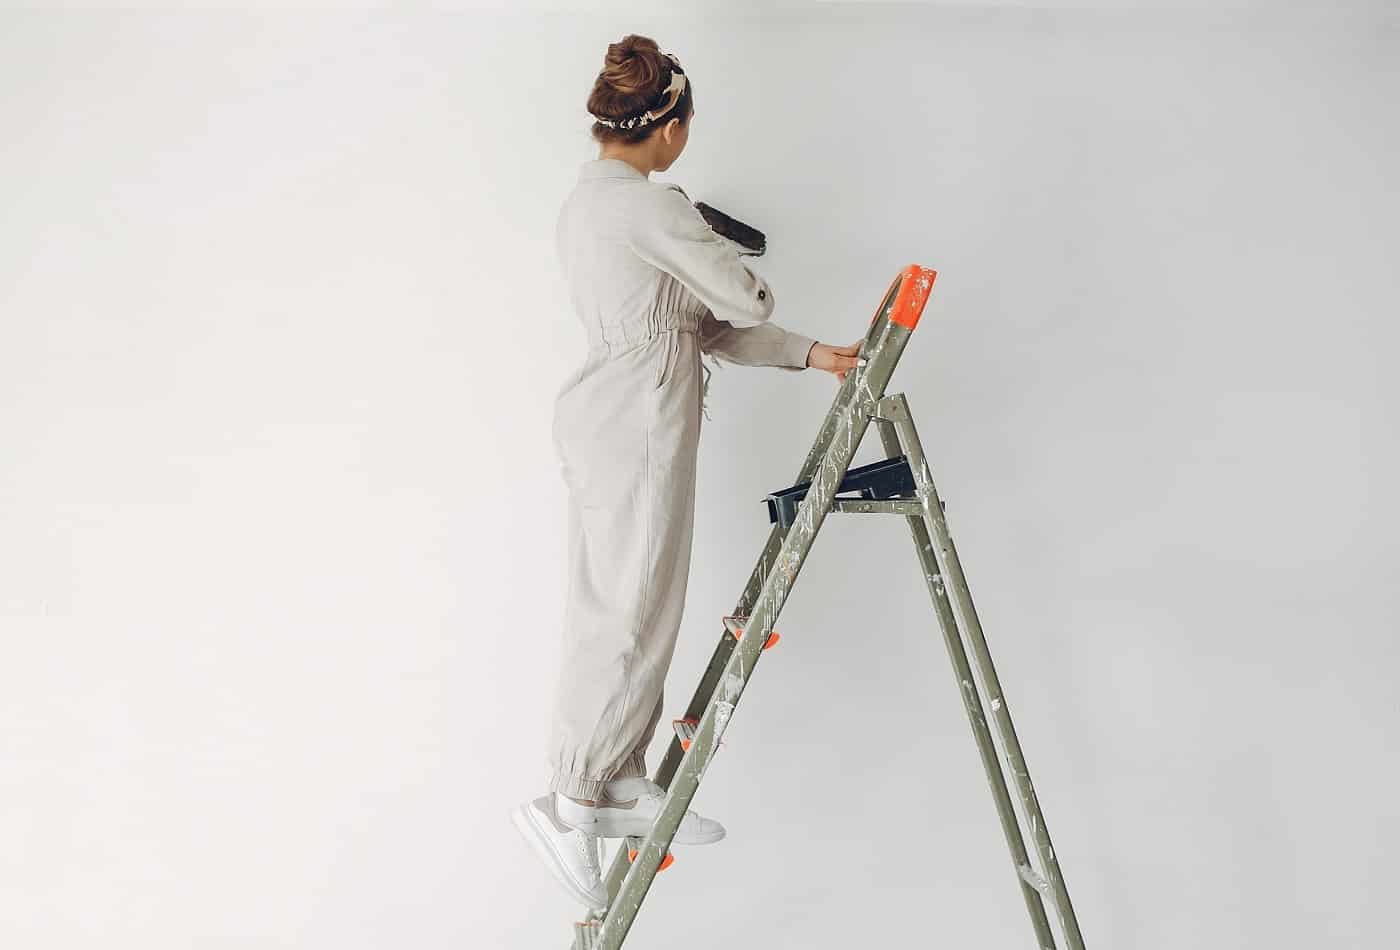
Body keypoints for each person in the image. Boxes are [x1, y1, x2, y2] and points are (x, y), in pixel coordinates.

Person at [511, 34, 860, 911]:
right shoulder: (648, 207)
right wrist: (708, 235)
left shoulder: (594, 206)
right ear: (666, 126)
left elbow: (700, 327)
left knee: (636, 600)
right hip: (634, 424)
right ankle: (574, 798)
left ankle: (616, 778)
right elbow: (745, 298)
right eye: (689, 123)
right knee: (628, 605)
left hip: (622, 416)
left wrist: (809, 354)